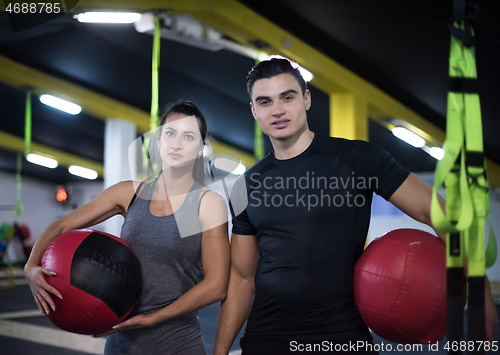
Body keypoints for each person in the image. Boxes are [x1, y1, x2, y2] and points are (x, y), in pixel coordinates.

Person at [213, 58, 498, 355]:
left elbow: (435, 213)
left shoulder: (357, 158)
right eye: (265, 101)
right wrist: (220, 351)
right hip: (266, 340)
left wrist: (480, 290)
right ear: (254, 111)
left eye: (288, 97)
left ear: (306, 99)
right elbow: (242, 278)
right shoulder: (246, 185)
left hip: (341, 337)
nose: (278, 110)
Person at [25, 100, 230, 355]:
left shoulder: (207, 203)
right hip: (121, 344)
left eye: (188, 136)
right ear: (158, 141)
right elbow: (61, 224)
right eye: (170, 133)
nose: (177, 143)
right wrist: (30, 266)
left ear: (200, 148)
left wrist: (153, 319)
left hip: (177, 342)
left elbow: (216, 284)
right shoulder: (129, 193)